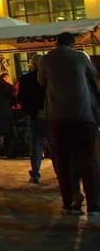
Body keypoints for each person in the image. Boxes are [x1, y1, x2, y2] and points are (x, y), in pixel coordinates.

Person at [38, 32, 98, 215]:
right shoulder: (81, 57)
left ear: (56, 43)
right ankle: (94, 204)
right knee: (88, 160)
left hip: (58, 116)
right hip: (83, 115)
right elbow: (93, 74)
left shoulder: (46, 59)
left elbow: (41, 81)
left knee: (63, 161)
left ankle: (69, 201)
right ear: (72, 43)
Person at [17, 55, 47, 184]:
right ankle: (61, 173)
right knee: (54, 145)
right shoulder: (48, 78)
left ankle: (35, 173)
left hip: (34, 115)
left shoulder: (26, 79)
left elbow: (20, 98)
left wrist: (28, 110)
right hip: (49, 114)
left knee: (35, 145)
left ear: (32, 65)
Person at [0, 73, 15, 158]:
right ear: (5, 78)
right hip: (7, 112)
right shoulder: (9, 87)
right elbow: (13, 101)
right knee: (8, 133)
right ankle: (8, 152)